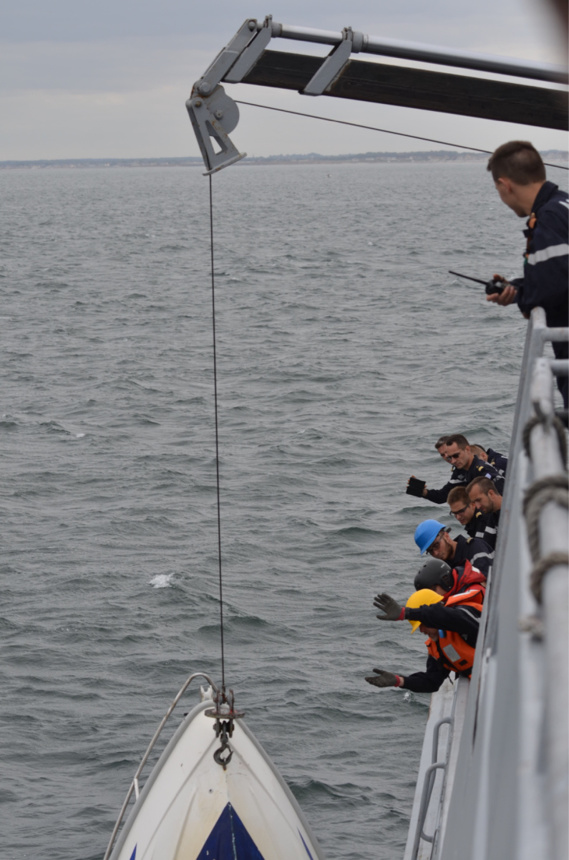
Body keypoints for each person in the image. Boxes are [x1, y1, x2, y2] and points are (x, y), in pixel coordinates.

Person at [486, 141, 568, 409]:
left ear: (504, 185)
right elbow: (559, 271)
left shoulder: (549, 218)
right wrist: (517, 288)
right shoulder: (563, 205)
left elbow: (552, 287)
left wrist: (520, 297)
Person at [365, 587, 483, 693]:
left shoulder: (464, 615)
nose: (421, 630)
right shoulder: (436, 646)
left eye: (422, 624)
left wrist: (406, 613)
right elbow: (431, 682)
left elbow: (445, 616)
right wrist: (399, 681)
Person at [407, 434, 505, 504]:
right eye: (448, 457)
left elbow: (502, 493)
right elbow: (443, 495)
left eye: (456, 455)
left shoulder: (482, 469)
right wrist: (422, 492)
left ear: (467, 449)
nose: (452, 461)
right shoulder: (459, 471)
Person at [414, 519, 494, 577]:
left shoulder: (475, 549)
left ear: (446, 535)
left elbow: (488, 583)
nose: (435, 553)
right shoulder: (444, 569)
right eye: (430, 551)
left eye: (436, 545)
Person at [413, 556, 486, 602]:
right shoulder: (461, 584)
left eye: (432, 590)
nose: (431, 597)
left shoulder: (474, 592)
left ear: (445, 581)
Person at [466, 476, 503, 549]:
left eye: (478, 500)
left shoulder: (514, 511)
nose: (477, 506)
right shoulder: (492, 516)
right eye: (474, 502)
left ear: (491, 493)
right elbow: (487, 546)